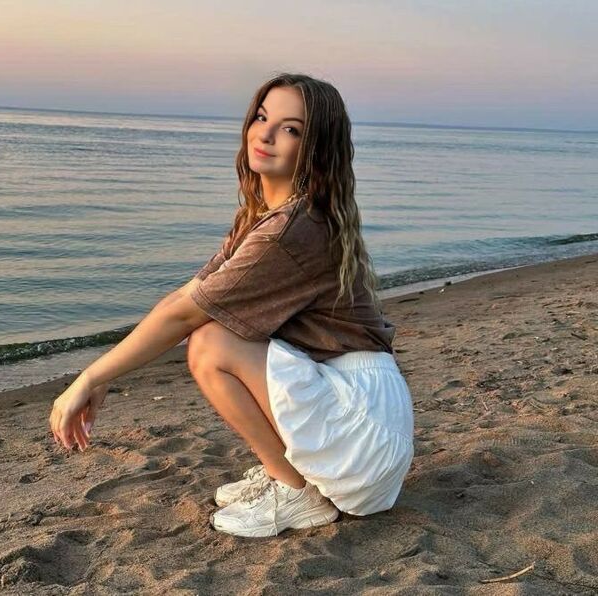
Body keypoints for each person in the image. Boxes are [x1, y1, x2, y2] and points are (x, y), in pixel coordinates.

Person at [49, 73, 414, 539]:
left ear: (316, 148)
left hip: (365, 433)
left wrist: (89, 378)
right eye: (262, 118)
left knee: (210, 341)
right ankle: (295, 474)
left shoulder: (292, 230)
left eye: (291, 128)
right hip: (361, 415)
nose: (266, 134)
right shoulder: (268, 217)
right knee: (213, 328)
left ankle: (295, 490)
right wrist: (104, 373)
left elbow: (186, 316)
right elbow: (186, 295)